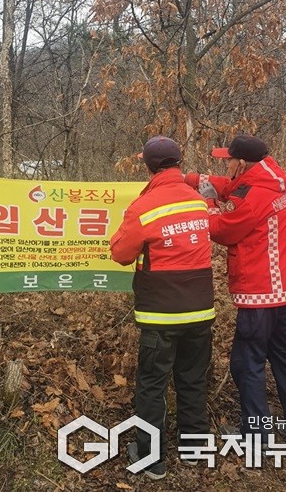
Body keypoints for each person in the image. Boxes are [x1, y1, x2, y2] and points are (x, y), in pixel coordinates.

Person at [184, 134, 286, 449]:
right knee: (284, 354)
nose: (226, 165)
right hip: (285, 291)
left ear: (241, 163)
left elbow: (222, 230)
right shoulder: (272, 178)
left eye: (229, 160)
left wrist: (207, 203)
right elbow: (232, 186)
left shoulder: (253, 195)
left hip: (260, 293)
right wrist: (192, 179)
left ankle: (256, 435)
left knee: (247, 362)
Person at [110, 136, 216, 480]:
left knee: (152, 384)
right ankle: (195, 449)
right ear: (178, 162)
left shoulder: (143, 207)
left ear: (148, 166)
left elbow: (120, 253)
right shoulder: (198, 202)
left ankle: (151, 457)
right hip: (200, 310)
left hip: (160, 314)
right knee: (192, 379)